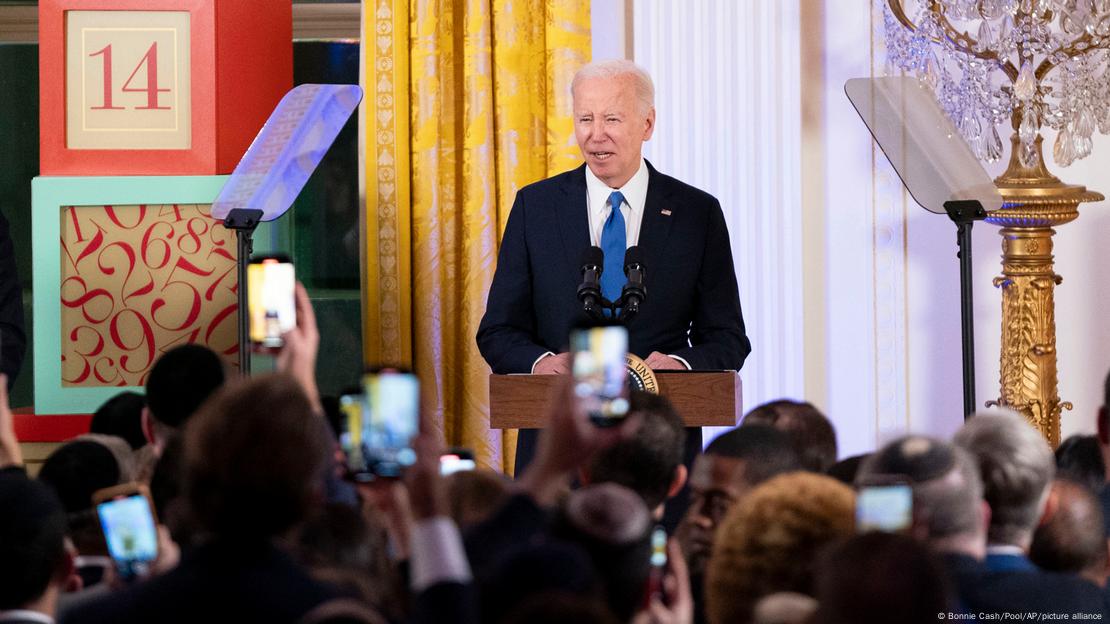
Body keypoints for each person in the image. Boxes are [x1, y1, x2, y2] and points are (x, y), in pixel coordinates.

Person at [476, 59, 751, 473]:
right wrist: (543, 363)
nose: (595, 134)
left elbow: (728, 338)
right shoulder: (536, 207)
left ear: (647, 123)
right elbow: (497, 331)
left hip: (658, 456)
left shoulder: (697, 213)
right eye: (585, 118)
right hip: (557, 459)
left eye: (612, 119)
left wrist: (680, 365)